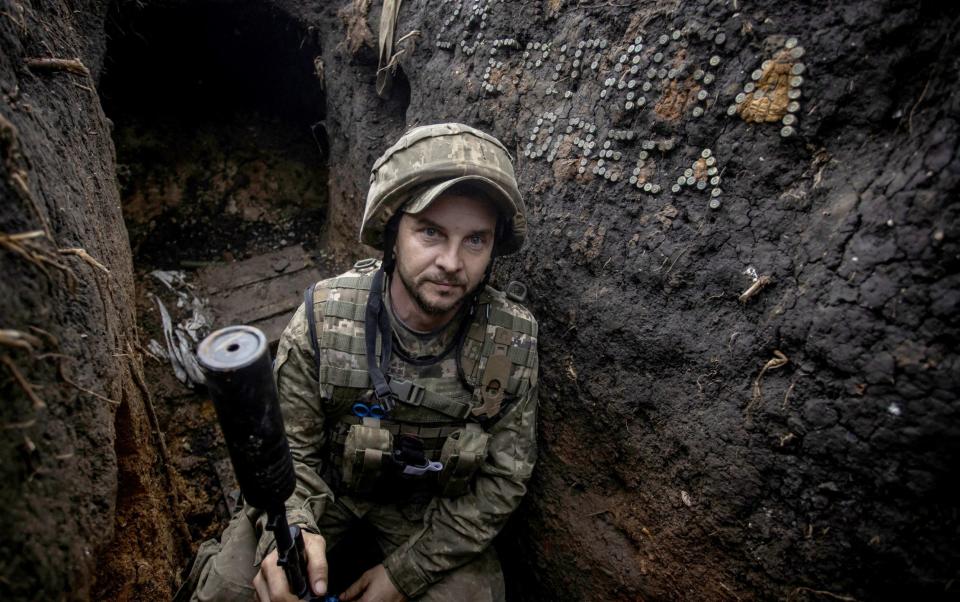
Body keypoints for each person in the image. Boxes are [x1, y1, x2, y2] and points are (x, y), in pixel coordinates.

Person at [177, 123, 539, 602]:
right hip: (326, 490)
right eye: (430, 232)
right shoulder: (325, 317)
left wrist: (404, 575)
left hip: (430, 518)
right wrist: (294, 532)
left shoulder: (509, 340)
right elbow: (291, 453)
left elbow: (502, 482)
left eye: (475, 240)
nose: (452, 262)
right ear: (393, 232)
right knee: (229, 589)